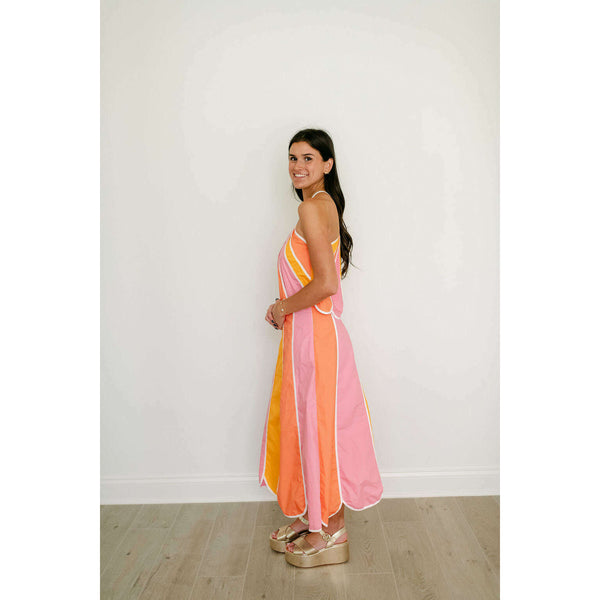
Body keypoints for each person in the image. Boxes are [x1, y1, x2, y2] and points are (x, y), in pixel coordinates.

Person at [258, 128, 383, 568]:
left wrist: (281, 307)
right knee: (309, 428)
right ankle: (316, 517)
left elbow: (326, 284)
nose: (297, 166)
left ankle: (330, 530)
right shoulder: (322, 205)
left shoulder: (312, 208)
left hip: (316, 339)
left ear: (327, 164)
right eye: (293, 158)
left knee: (321, 430)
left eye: (308, 158)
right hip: (309, 338)